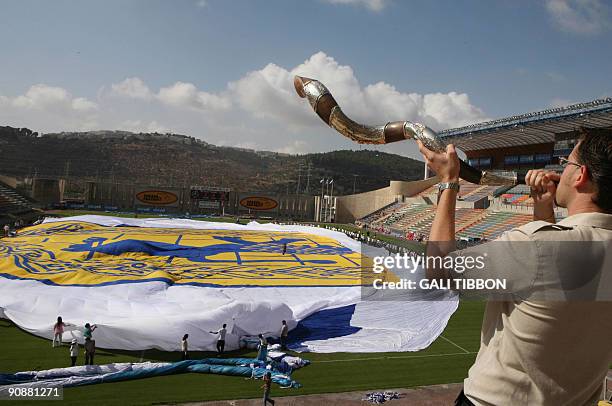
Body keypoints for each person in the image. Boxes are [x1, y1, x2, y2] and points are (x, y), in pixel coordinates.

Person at [416, 128, 612, 405]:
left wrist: (448, 183)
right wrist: (543, 210)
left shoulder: (538, 246)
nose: (561, 169)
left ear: (580, 176)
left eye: (567, 163)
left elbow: (439, 272)